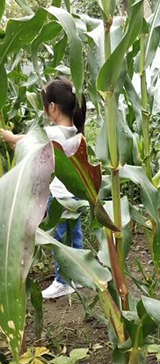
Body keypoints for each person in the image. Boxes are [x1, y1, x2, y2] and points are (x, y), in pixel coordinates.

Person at [1, 77, 87, 299]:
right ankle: (80, 275)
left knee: (59, 241)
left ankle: (63, 281)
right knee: (74, 237)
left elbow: (30, 141)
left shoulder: (55, 133)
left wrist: (11, 138)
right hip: (75, 196)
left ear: (53, 108)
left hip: (59, 197)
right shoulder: (75, 130)